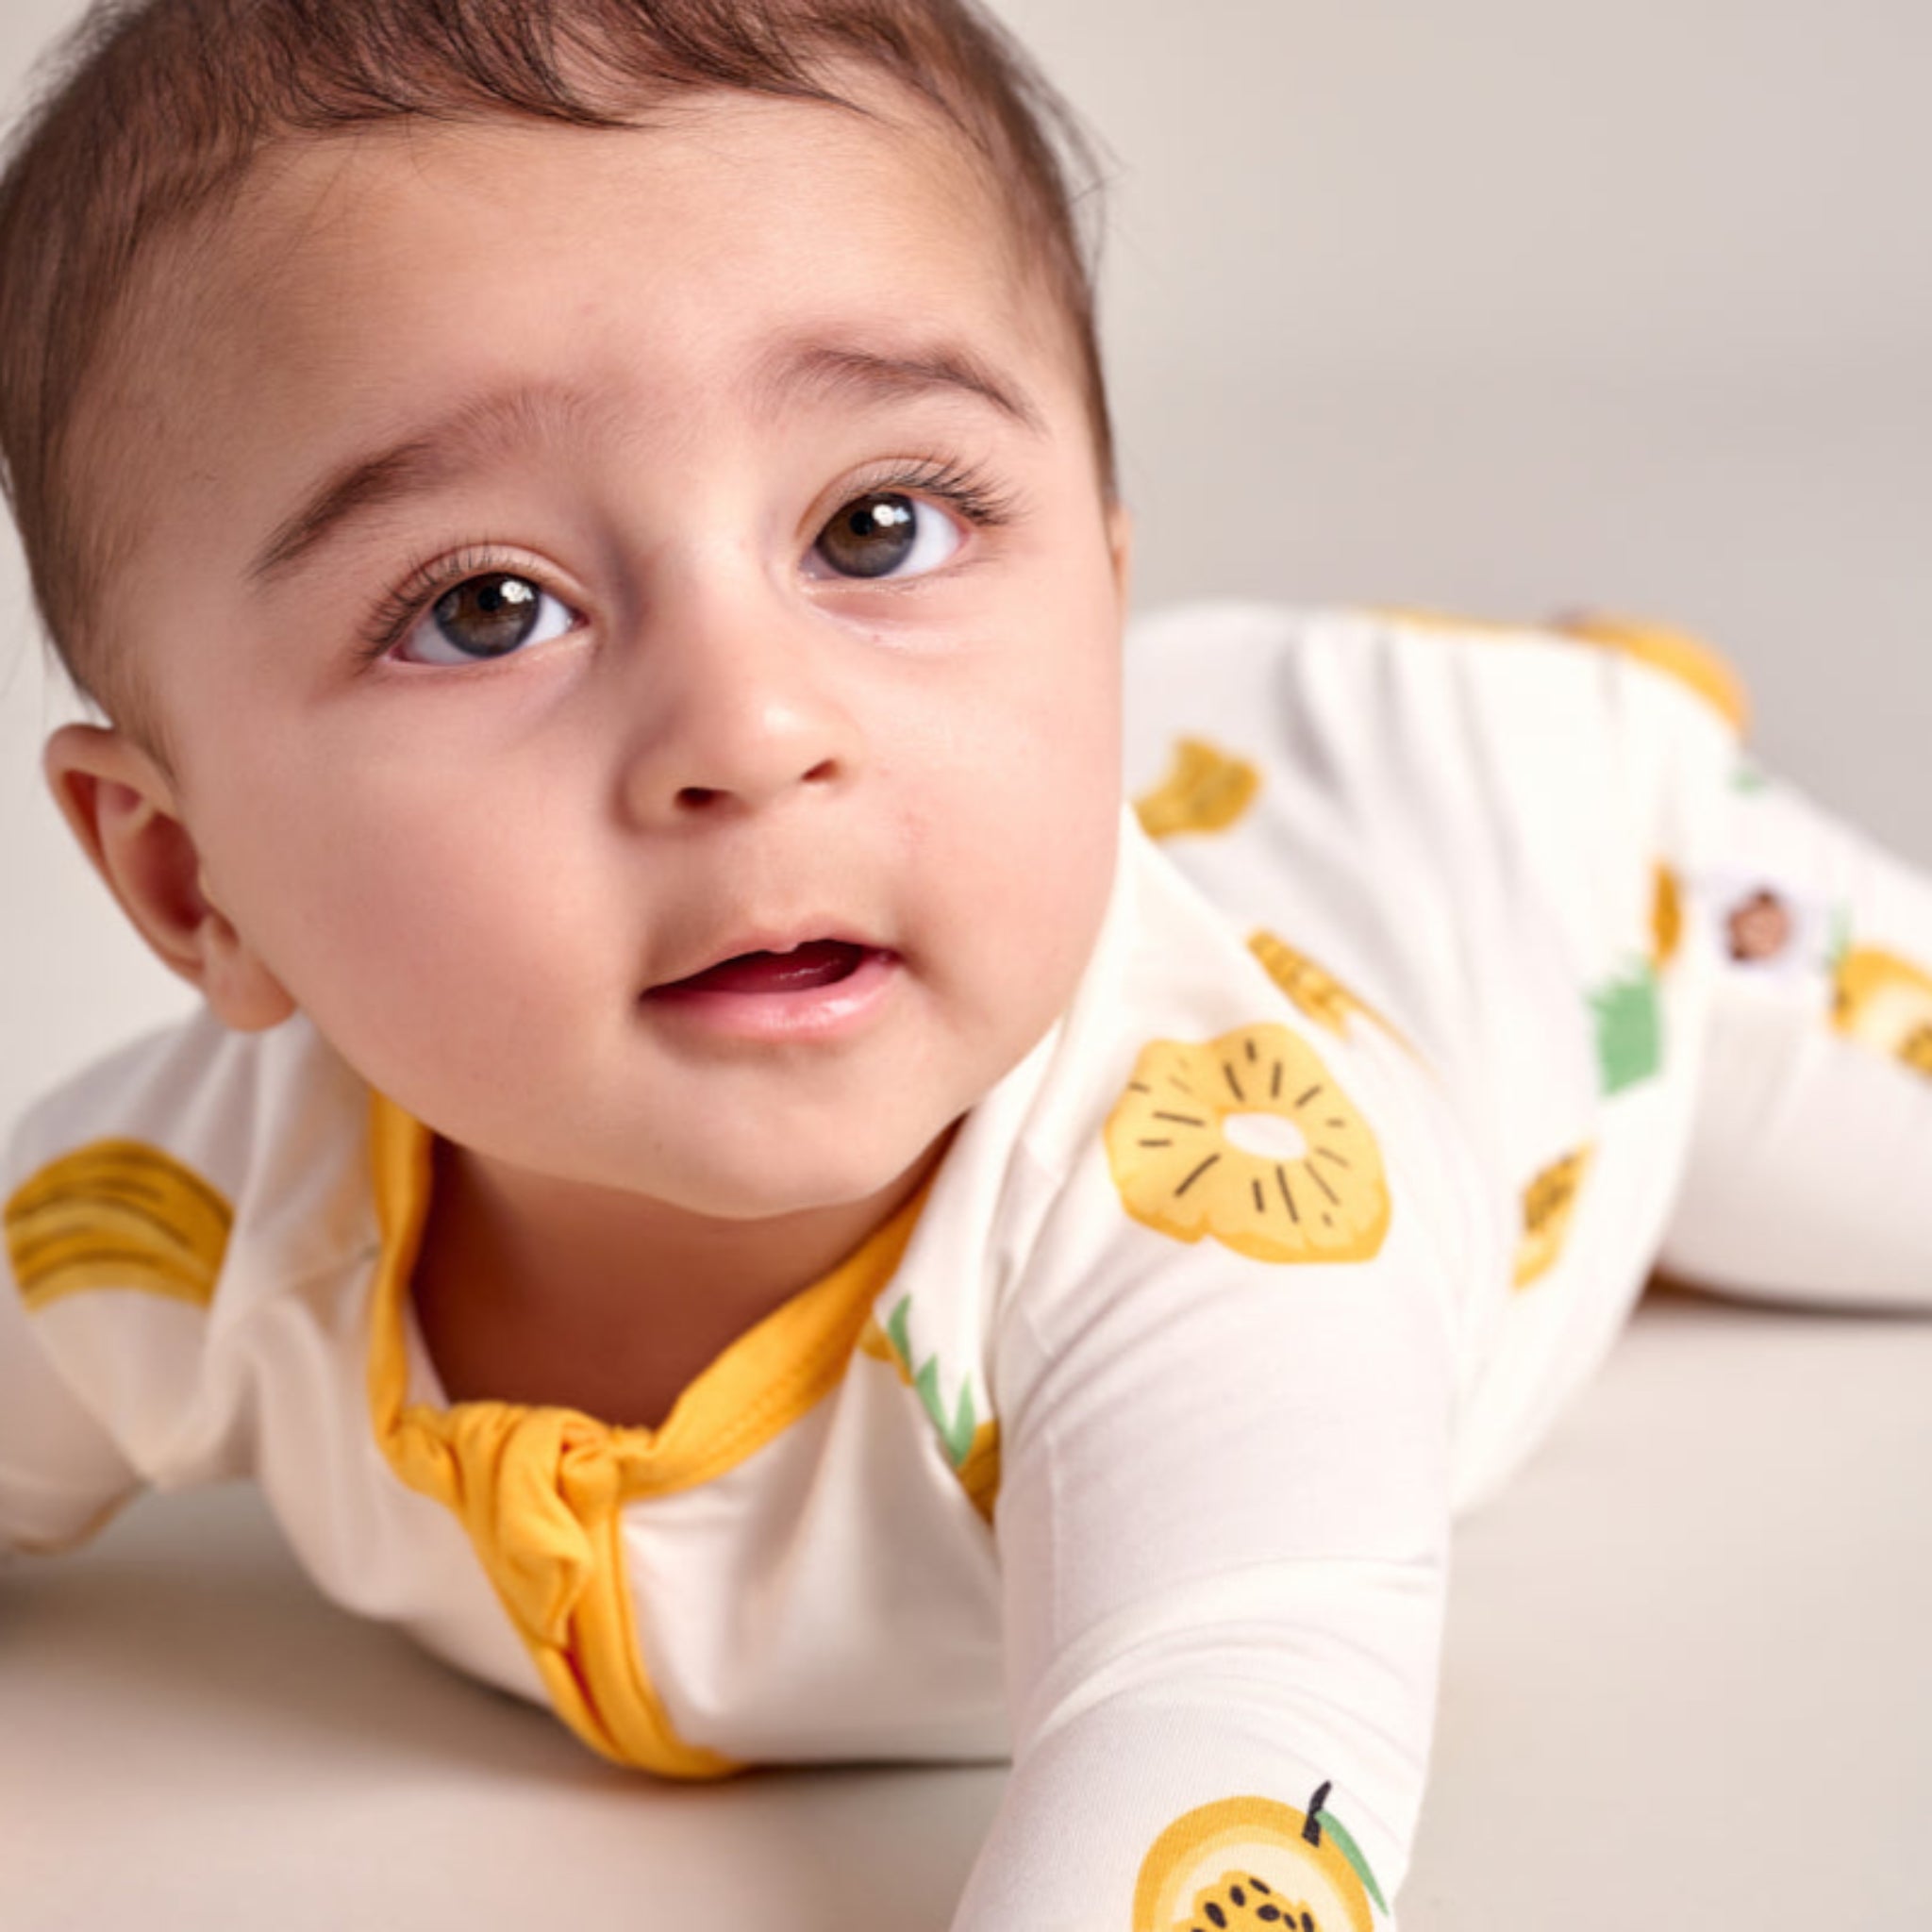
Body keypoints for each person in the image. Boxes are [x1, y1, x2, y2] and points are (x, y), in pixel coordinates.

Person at [3, 2, 1929, 1926]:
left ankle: (1589, 691)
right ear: (192, 884)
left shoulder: (1208, 1213)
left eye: (875, 524)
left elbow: (1222, 1755)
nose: (751, 730)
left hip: (1574, 874)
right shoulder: (178, 1211)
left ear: (1096, 587)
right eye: (486, 607)